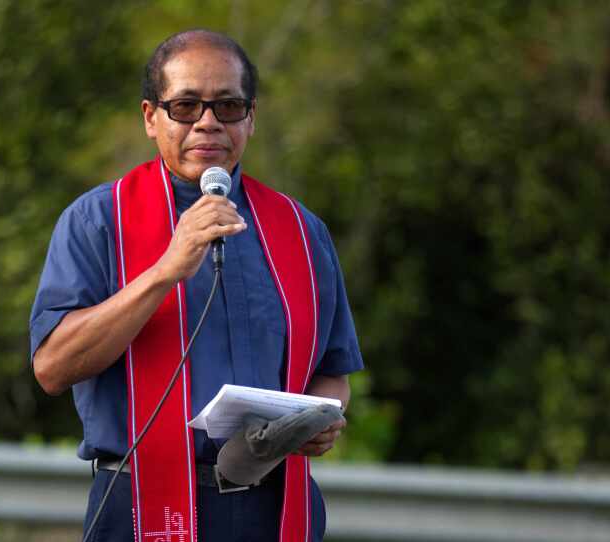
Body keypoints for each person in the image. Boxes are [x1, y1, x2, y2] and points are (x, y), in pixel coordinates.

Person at [29, 29, 363, 542]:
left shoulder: (301, 230)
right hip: (140, 506)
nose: (207, 122)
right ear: (150, 117)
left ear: (251, 118)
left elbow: (332, 373)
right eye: (185, 105)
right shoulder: (98, 221)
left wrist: (322, 419)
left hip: (273, 509)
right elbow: (52, 367)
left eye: (227, 106)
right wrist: (167, 269)